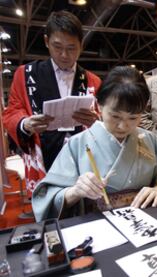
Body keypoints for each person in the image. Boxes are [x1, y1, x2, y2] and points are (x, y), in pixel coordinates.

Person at [32, 66, 157, 221]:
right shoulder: (77, 144)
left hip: (145, 220)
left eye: (133, 117)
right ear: (100, 105)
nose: (123, 126)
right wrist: (76, 191)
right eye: (115, 116)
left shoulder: (148, 139)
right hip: (96, 228)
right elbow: (46, 199)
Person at [2, 11, 101, 196]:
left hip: (81, 160)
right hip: (43, 156)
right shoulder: (25, 74)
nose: (64, 54)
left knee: (83, 214)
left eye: (72, 48)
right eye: (57, 46)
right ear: (47, 41)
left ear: (81, 45)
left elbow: (103, 121)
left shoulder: (92, 80)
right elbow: (11, 112)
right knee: (47, 215)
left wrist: (96, 122)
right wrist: (25, 123)